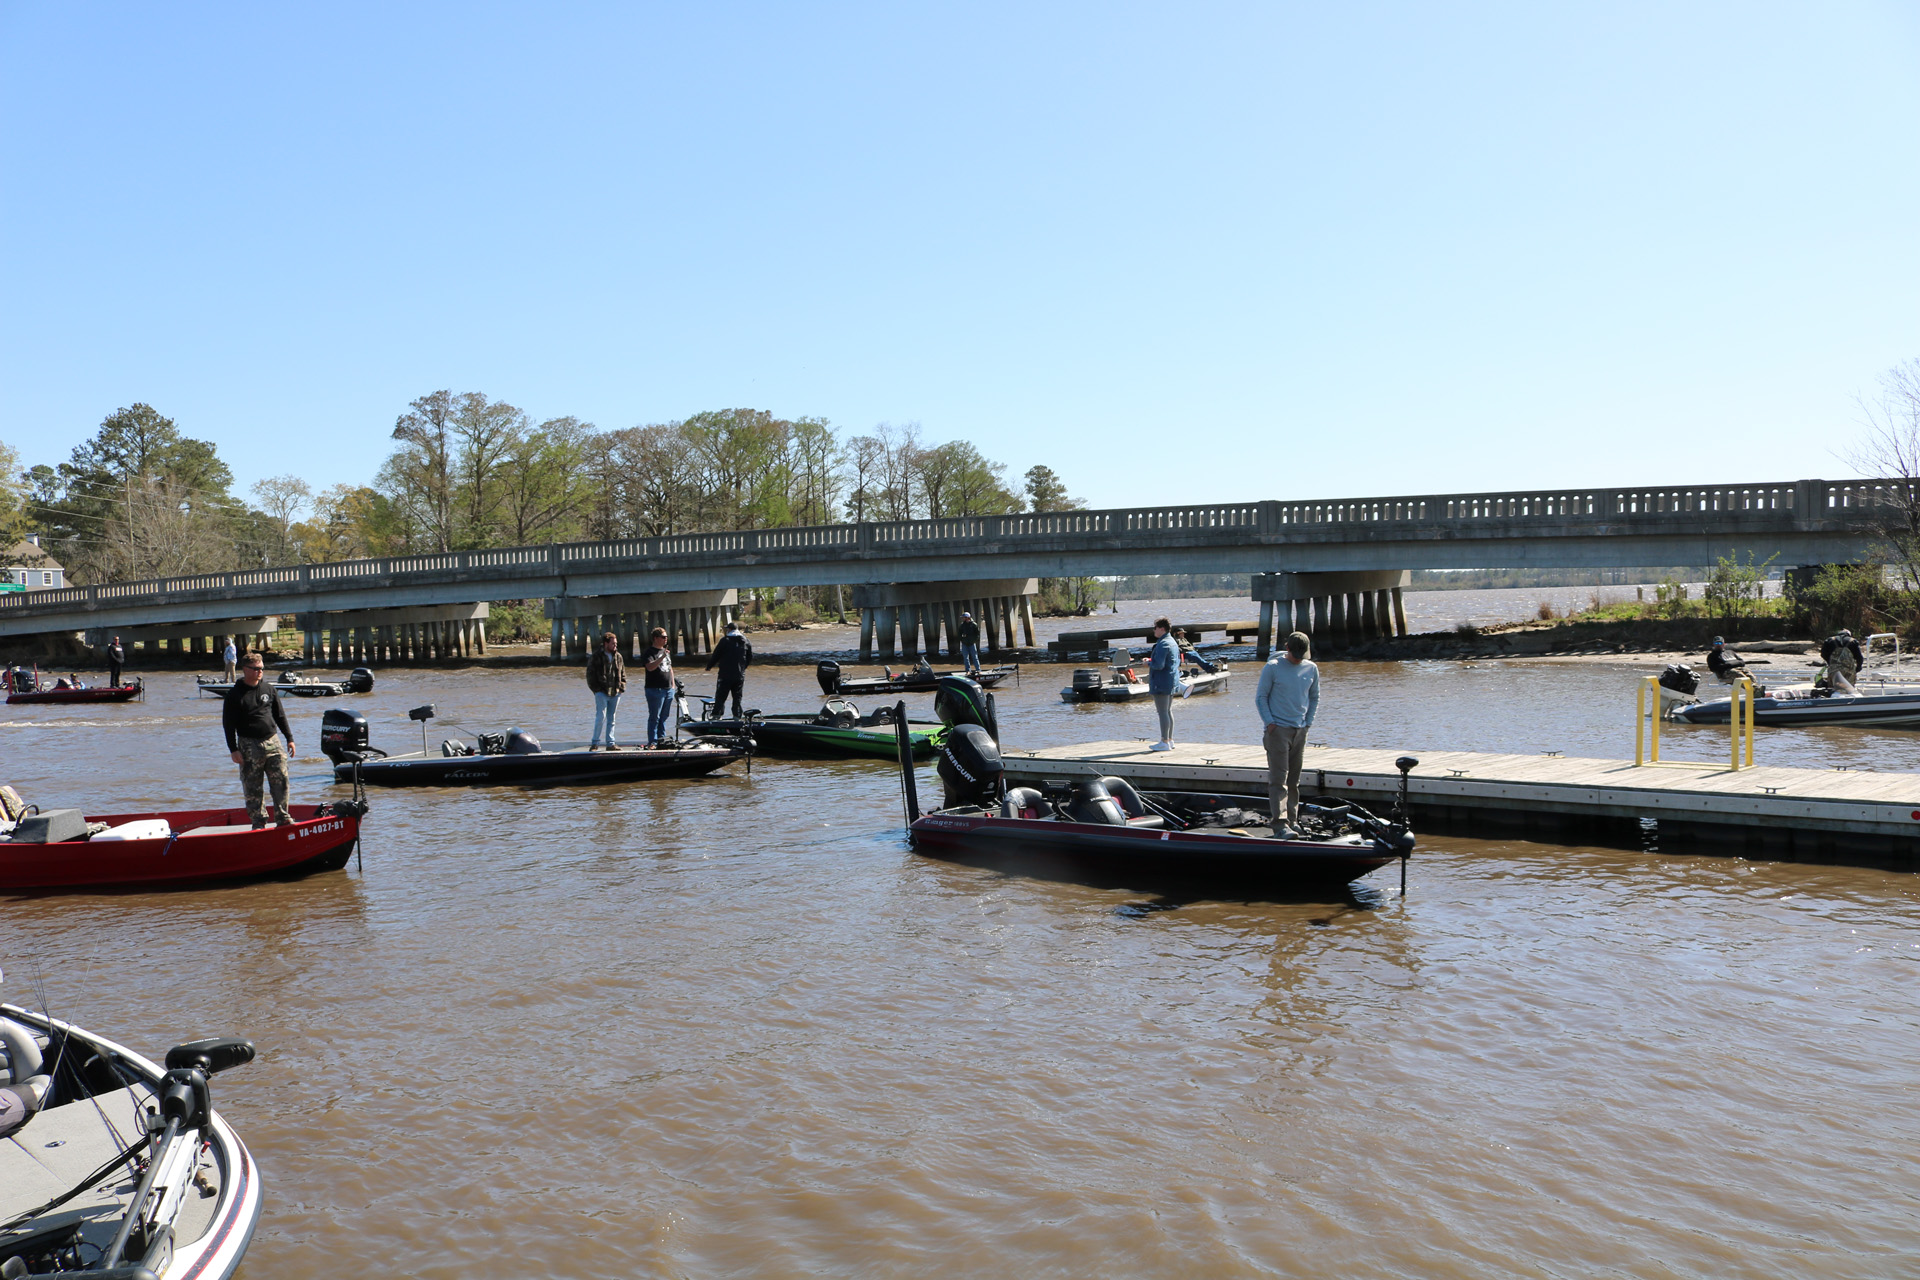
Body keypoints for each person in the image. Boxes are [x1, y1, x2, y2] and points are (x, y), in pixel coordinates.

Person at [1256, 631, 1320, 835]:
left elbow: (1314, 697)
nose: (1299, 658)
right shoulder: (1273, 667)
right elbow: (1261, 697)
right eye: (1296, 654)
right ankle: (1280, 825)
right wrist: (1270, 723)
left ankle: (1292, 820)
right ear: (1287, 648)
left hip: (1300, 730)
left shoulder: (1311, 668)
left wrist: (1308, 723)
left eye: (1302, 655)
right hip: (1278, 731)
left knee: (1294, 781)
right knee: (1278, 780)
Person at [222, 653, 295, 828]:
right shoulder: (234, 695)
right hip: (248, 744)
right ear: (245, 669)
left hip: (272, 741)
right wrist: (233, 749)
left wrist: (289, 738)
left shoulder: (269, 689)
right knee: (252, 786)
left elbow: (280, 715)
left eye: (261, 668)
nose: (259, 672)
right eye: (255, 669)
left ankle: (283, 818)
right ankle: (259, 821)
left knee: (281, 781)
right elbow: (228, 725)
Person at [586, 630, 626, 751]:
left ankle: (610, 743)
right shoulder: (596, 656)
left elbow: (623, 673)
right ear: (606, 643)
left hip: (615, 692)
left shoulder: (618, 656)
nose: (615, 645)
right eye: (613, 643)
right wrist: (596, 690)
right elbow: (590, 675)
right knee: (600, 717)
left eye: (616, 643)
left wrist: (621, 688)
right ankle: (595, 743)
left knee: (612, 719)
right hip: (602, 692)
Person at [705, 620, 753, 719]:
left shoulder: (725, 640)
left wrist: (709, 666)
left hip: (725, 675)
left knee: (721, 696)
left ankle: (717, 715)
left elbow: (716, 655)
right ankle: (737, 716)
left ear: (730, 630)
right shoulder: (746, 640)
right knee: (737, 697)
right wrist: (743, 668)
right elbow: (750, 657)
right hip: (739, 675)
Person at [1146, 617, 1180, 751]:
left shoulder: (1163, 643)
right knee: (1168, 711)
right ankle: (1170, 740)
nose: (1153, 630)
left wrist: (1147, 663)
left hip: (1161, 682)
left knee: (1162, 712)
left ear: (1162, 629)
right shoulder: (1172, 641)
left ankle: (1164, 742)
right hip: (1171, 680)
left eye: (1155, 628)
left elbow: (1159, 665)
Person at [643, 627, 676, 746]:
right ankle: (652, 742)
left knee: (664, 717)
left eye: (666, 637)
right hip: (655, 689)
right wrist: (661, 657)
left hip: (668, 689)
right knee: (654, 717)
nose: (666, 639)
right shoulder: (649, 652)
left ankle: (662, 741)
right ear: (656, 638)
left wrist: (673, 685)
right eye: (663, 637)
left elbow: (670, 668)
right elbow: (650, 667)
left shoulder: (665, 651)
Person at [1822, 628, 1864, 694]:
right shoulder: (1853, 641)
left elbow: (1823, 654)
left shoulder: (1829, 640)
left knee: (1833, 689)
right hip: (1849, 671)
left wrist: (1830, 663)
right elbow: (1859, 658)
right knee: (1849, 689)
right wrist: (1858, 668)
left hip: (1834, 670)